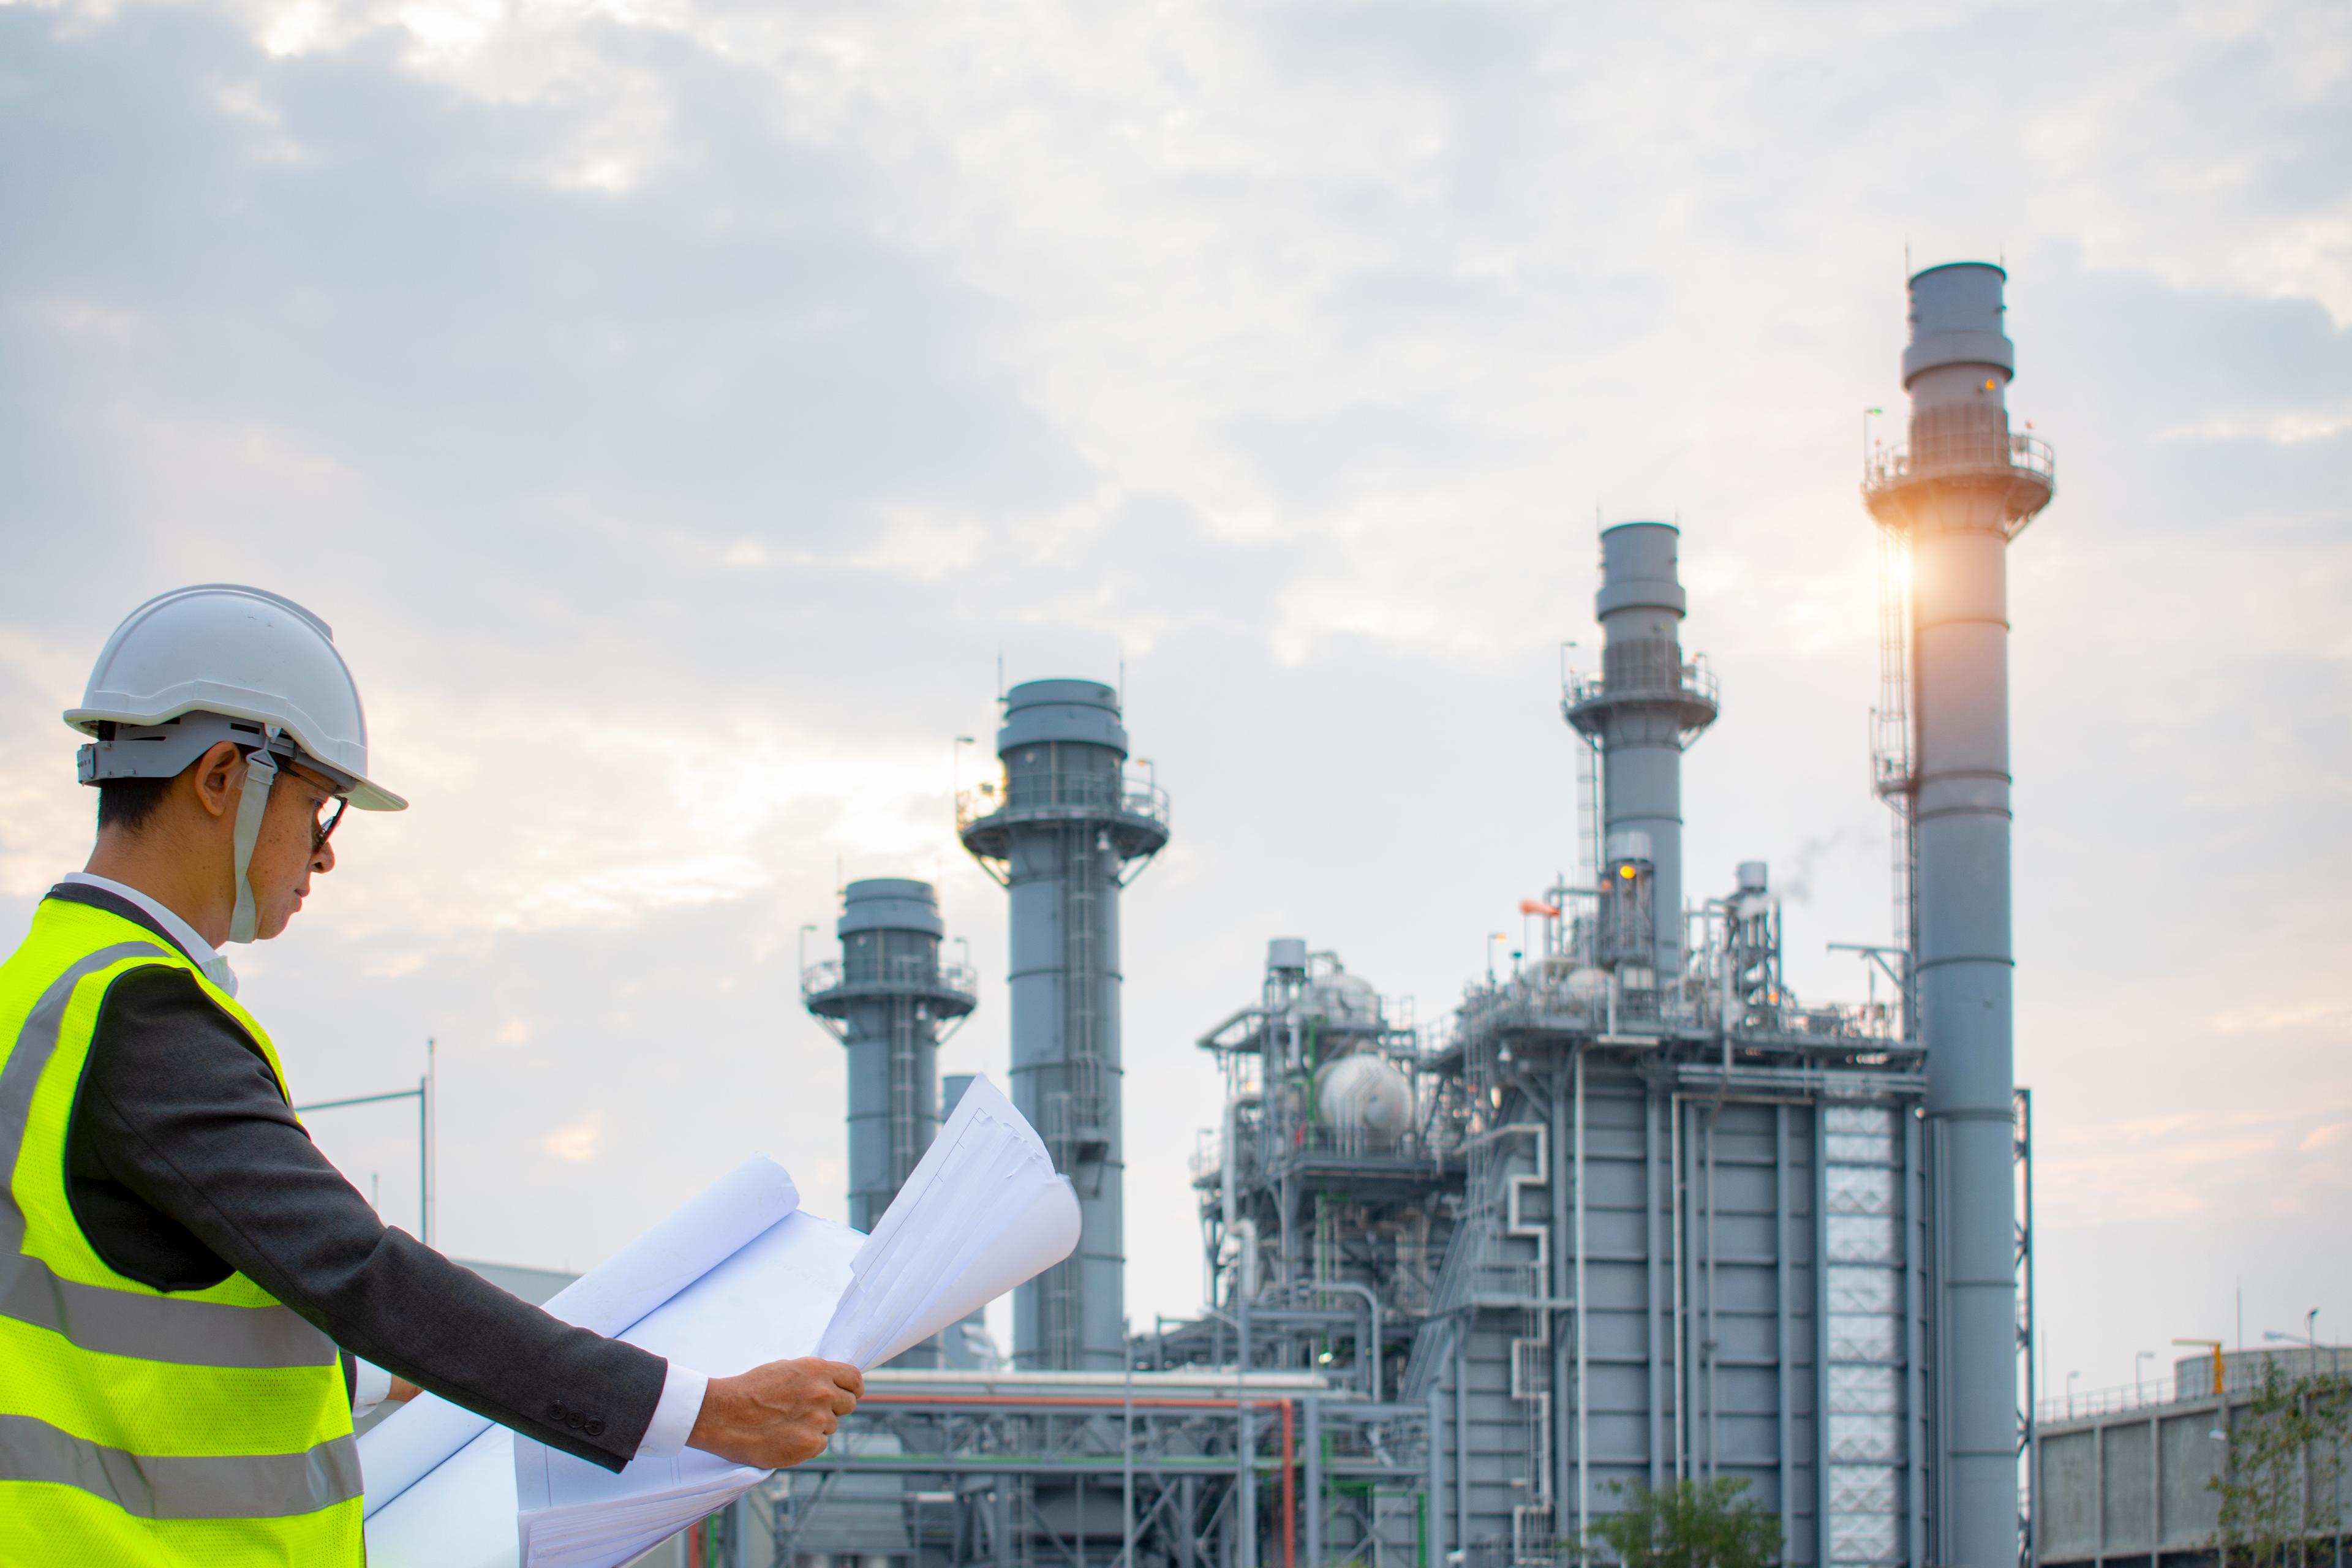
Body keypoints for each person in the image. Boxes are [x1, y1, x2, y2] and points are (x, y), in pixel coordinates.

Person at [0, 584, 861, 1562]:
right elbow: (361, 1271)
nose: (323, 856)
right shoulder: (143, 1015)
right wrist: (710, 1411)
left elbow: (121, 1319)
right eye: (318, 807)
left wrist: (383, 1381)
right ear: (221, 777)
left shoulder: (37, 994)